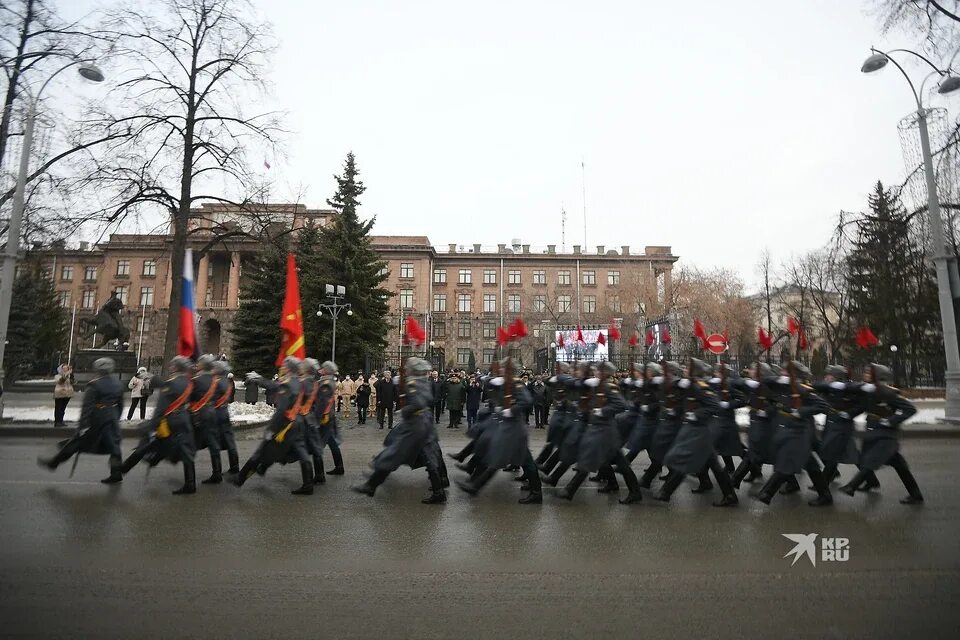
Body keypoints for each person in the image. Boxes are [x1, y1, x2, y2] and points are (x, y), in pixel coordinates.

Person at [352, 357, 447, 504]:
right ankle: (439, 491)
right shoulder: (424, 382)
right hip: (425, 422)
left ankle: (370, 486)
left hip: (415, 425)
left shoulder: (413, 383)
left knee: (393, 454)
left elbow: (418, 403)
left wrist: (403, 411)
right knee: (430, 457)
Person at [654, 358, 738, 507]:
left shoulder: (701, 386)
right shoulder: (690, 385)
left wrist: (697, 414)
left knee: (686, 458)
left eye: (687, 368)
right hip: (695, 429)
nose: (684, 370)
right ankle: (729, 494)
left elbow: (715, 406)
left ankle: (666, 492)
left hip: (700, 430)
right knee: (713, 464)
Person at [556, 361, 642, 504]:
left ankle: (570, 490)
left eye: (598, 370)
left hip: (606, 431)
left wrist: (602, 411)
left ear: (604, 372)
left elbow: (621, 405)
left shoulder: (609, 387)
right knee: (620, 463)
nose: (595, 372)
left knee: (589, 458)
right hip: (600, 429)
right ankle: (634, 491)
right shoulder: (598, 385)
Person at [839, 364, 923, 504]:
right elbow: (863, 407)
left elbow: (910, 409)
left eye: (868, 373)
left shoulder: (888, 392)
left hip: (886, 435)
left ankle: (851, 486)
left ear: (877, 376)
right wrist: (849, 414)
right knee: (899, 465)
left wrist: (891, 421)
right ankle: (915, 494)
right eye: (865, 372)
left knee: (871, 459)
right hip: (873, 432)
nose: (865, 374)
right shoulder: (868, 391)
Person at [755, 362, 833, 507]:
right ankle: (825, 495)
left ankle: (766, 493)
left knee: (785, 461)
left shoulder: (802, 390)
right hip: (787, 430)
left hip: (799, 432)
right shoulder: (782, 387)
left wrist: (801, 412)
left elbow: (824, 406)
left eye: (786, 372)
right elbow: (765, 382)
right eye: (783, 371)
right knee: (810, 464)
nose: (783, 374)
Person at [234, 356, 315, 495]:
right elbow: (276, 385)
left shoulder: (289, 384)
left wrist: (271, 430)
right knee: (302, 453)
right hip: (297, 424)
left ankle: (240, 479)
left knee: (261, 452)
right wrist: (259, 379)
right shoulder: (297, 382)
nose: (282, 366)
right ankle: (308, 484)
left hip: (285, 426)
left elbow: (280, 411)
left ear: (288, 368)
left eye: (284, 364)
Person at [38, 357, 123, 483]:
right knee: (114, 447)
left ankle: (54, 463)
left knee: (76, 443)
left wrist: (83, 425)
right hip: (112, 418)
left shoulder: (94, 384)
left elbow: (87, 406)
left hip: (97, 418)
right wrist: (115, 416)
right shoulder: (118, 384)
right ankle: (116, 473)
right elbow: (120, 405)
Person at [120, 356, 197, 495]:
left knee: (147, 445)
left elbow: (161, 409)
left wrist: (149, 426)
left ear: (175, 368)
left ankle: (124, 468)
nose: (170, 367)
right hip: (184, 419)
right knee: (185, 450)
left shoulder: (170, 384)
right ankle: (190, 483)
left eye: (172, 365)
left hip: (170, 421)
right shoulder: (189, 383)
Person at [190, 354, 223, 484]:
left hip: (199, 414)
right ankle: (217, 473)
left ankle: (190, 479)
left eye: (199, 362)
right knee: (213, 445)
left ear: (203, 365)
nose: (196, 364)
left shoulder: (196, 380)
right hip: (213, 413)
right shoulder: (216, 381)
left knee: (190, 444)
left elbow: (190, 397)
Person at [211, 360, 240, 475]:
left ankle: (216, 472)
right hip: (224, 412)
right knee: (230, 442)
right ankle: (235, 467)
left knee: (214, 443)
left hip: (217, 413)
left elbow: (211, 398)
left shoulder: (216, 382)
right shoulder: (226, 381)